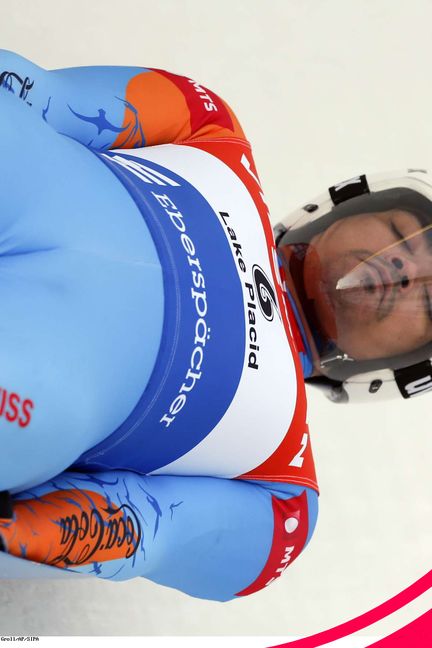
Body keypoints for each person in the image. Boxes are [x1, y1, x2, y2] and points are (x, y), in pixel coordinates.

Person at [0, 51, 429, 601]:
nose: (403, 272)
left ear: (399, 367)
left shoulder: (284, 500)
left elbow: (136, 531)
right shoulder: (209, 125)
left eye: (430, 302)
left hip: (28, 385)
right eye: (402, 232)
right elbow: (37, 96)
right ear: (343, 208)